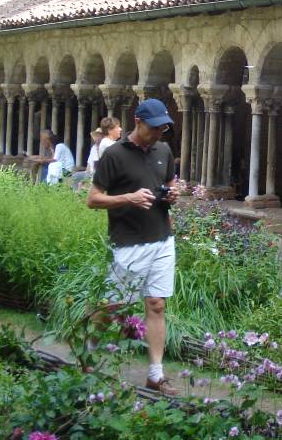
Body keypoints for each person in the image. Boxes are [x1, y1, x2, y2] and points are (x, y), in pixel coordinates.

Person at [88, 98, 181, 396]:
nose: (158, 133)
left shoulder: (163, 150)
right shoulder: (114, 154)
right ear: (138, 122)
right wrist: (128, 198)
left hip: (163, 238)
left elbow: (170, 183)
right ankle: (87, 352)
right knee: (114, 306)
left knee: (157, 304)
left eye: (163, 128)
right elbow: (93, 199)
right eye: (154, 128)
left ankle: (156, 374)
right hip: (128, 241)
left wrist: (172, 194)